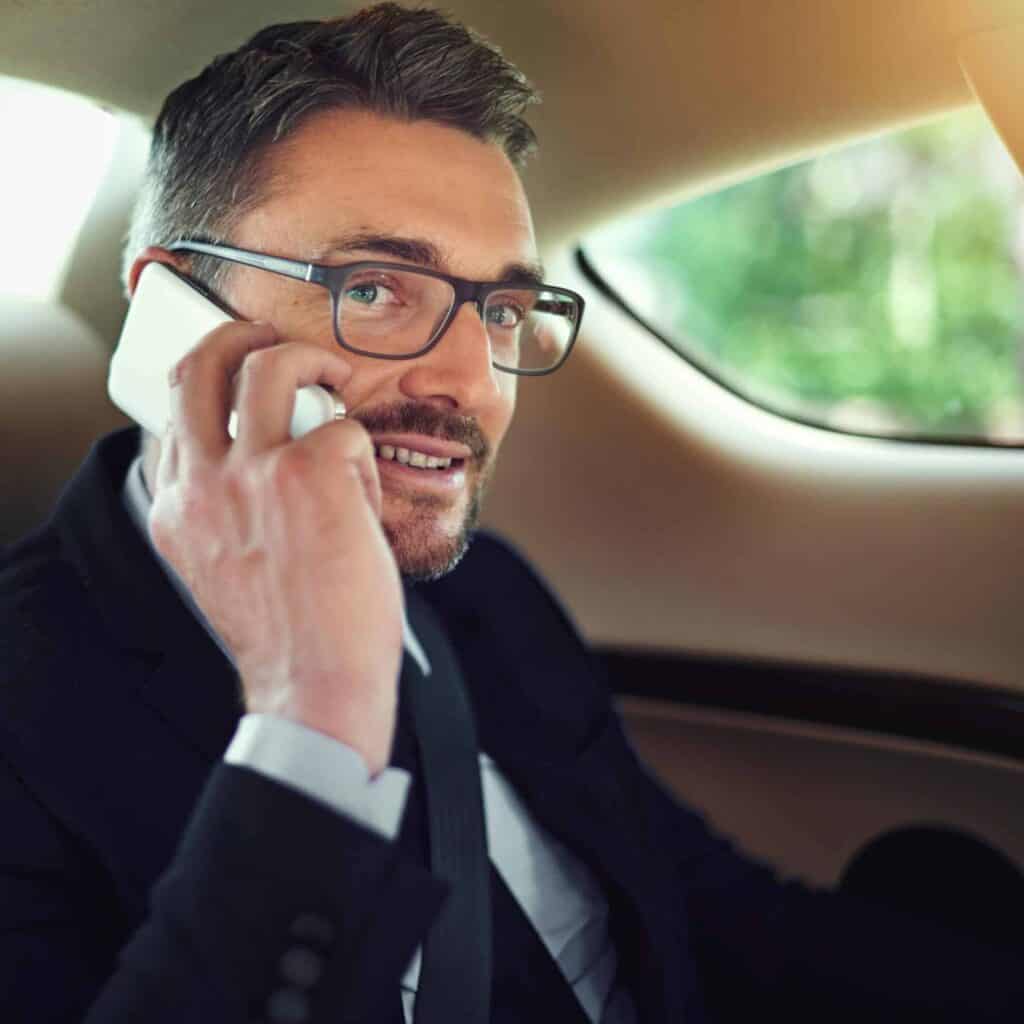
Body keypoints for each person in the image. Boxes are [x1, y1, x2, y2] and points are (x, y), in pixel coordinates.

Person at [0, 5, 1021, 1023]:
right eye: (379, 287)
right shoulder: (22, 701)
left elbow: (723, 917)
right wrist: (316, 717)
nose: (468, 377)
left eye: (499, 309)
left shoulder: (490, 594)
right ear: (171, 311)